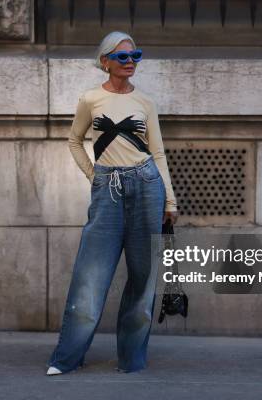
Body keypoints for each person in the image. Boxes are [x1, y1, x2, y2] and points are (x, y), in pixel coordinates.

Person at [46, 31, 179, 375]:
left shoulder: (145, 103)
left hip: (147, 184)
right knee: (91, 276)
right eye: (122, 57)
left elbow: (159, 152)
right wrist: (95, 177)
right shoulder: (90, 99)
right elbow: (74, 141)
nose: (130, 61)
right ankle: (66, 359)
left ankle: (132, 360)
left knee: (144, 276)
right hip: (109, 188)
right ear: (105, 61)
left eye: (136, 55)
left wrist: (170, 198)